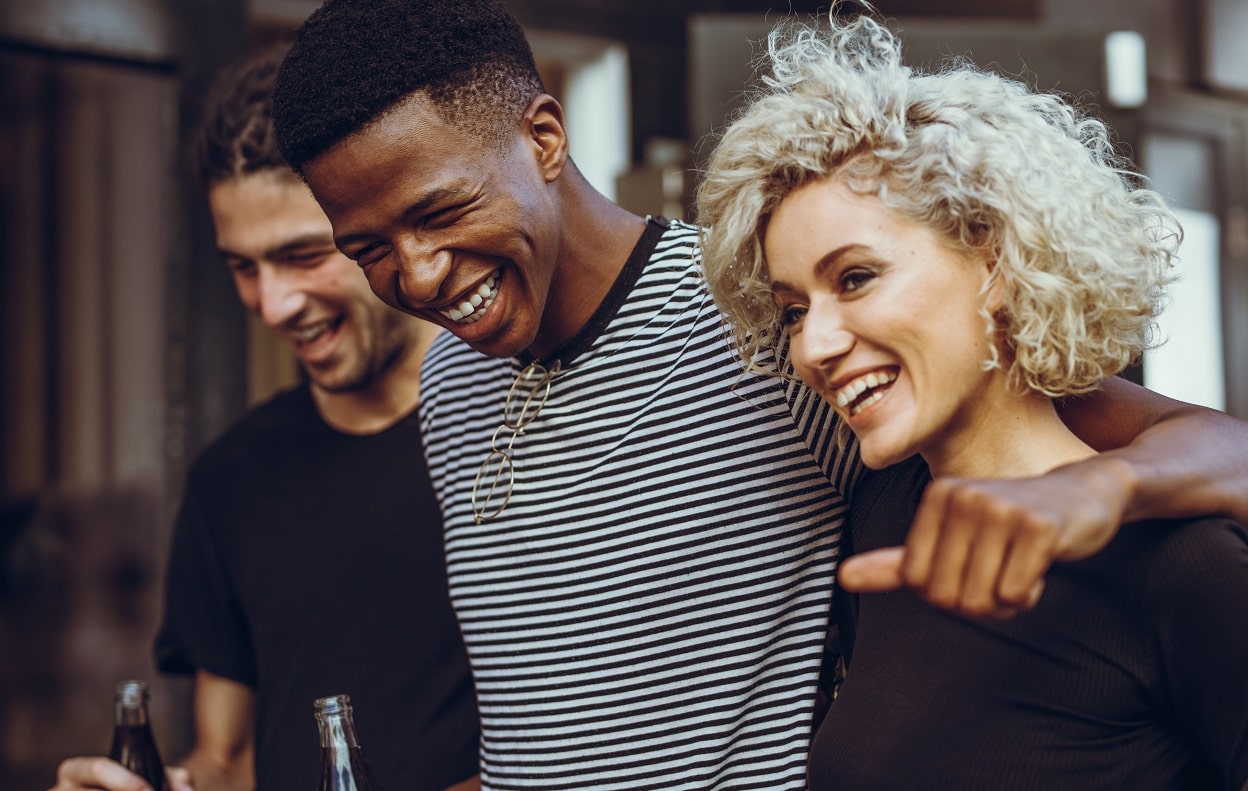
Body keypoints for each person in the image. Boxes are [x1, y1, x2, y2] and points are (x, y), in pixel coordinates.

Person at [268, 1, 1248, 787]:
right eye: (369, 249)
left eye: (439, 212)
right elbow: (559, 735)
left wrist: (1108, 491)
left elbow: (1189, 448)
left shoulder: (763, 321)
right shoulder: (449, 381)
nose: (421, 274)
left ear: (546, 136)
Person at [697, 10, 1248, 789]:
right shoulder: (886, 515)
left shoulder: (1183, 567)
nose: (815, 346)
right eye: (794, 310)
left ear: (993, 259)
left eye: (855, 277)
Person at [48, 49, 480, 791]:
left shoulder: (524, 425)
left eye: (303, 254)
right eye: (244, 266)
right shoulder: (233, 479)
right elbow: (231, 756)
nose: (272, 304)